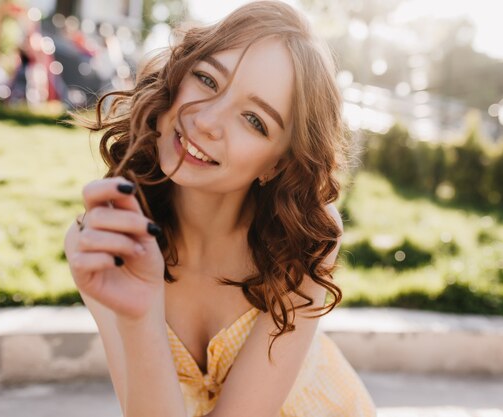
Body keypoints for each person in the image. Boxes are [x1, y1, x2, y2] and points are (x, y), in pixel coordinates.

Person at [63, 1, 376, 416]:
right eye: (207, 79)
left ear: (277, 164)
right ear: (178, 76)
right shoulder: (104, 244)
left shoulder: (305, 240)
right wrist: (140, 316)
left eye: (254, 120)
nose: (208, 121)